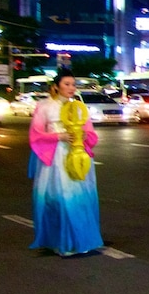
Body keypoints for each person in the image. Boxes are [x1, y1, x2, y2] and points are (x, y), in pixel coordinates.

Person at [28, 68, 103, 257]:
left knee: (80, 199)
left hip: (77, 156)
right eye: (66, 84)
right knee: (61, 198)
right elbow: (36, 134)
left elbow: (91, 133)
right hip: (55, 158)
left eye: (73, 84)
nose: (71, 88)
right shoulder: (44, 106)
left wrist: (86, 135)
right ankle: (62, 241)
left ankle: (80, 240)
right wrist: (58, 136)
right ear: (56, 86)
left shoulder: (79, 107)